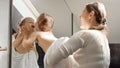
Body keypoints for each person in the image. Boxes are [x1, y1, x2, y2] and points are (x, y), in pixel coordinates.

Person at [44, 1, 110, 68]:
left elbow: (51, 60)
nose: (80, 16)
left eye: (83, 12)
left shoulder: (86, 34)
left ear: (91, 15)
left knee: (62, 41)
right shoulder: (103, 38)